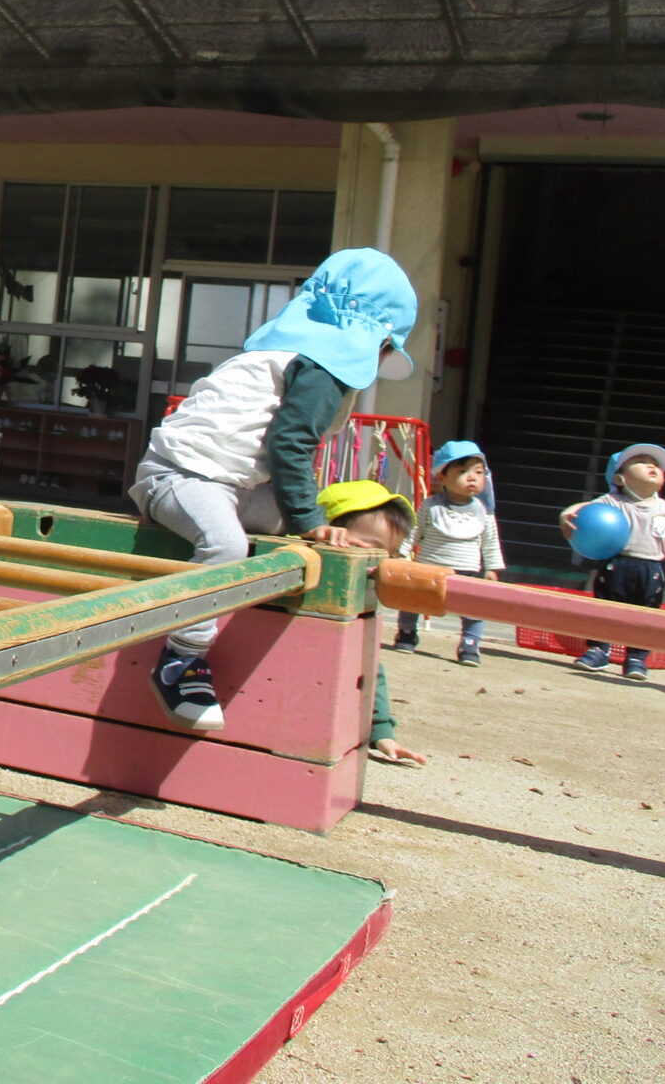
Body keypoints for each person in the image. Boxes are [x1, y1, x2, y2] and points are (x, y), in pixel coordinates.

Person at [130, 248, 419, 729]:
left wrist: (310, 524)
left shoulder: (295, 355)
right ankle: (181, 656)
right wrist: (310, 520)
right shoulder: (320, 369)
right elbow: (290, 444)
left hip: (233, 485)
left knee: (289, 534)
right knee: (227, 545)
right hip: (181, 474)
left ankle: (251, 600)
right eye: (385, 351)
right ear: (377, 341)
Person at [317, 479, 427, 766]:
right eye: (370, 548)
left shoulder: (361, 602)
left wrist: (381, 733)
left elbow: (369, 668)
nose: (378, 563)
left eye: (388, 554)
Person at [559, 443, 665, 682]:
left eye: (655, 464)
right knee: (604, 609)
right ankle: (599, 650)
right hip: (616, 564)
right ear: (620, 479)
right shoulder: (613, 501)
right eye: (641, 462)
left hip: (651, 569)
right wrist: (564, 516)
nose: (651, 466)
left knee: (647, 616)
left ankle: (637, 658)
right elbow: (581, 509)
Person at [395, 439, 505, 666]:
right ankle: (407, 632)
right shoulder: (430, 506)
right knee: (411, 600)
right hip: (428, 568)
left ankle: (470, 643)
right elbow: (414, 531)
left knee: (474, 608)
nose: (472, 477)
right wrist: (402, 553)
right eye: (462, 471)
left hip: (467, 571)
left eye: (478, 472)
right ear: (442, 477)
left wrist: (492, 567)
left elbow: (490, 542)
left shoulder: (484, 512)